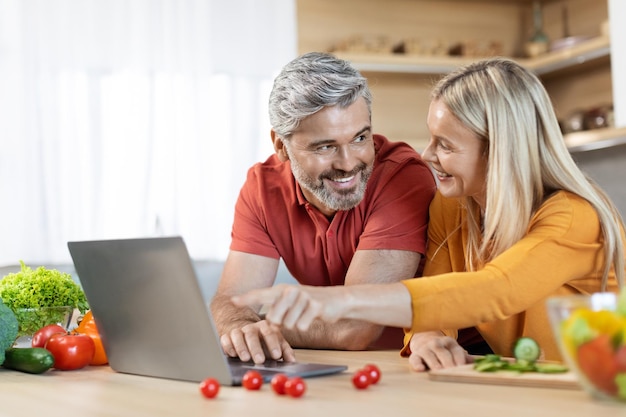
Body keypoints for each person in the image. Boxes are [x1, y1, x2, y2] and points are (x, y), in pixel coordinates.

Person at [232, 57, 626, 371]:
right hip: (531, 388)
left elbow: (495, 291)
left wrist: (341, 302)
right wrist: (426, 336)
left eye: (446, 145)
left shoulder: (575, 217)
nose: (426, 155)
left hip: (601, 389)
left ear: (498, 151)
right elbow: (439, 297)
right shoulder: (452, 206)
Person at [210, 52, 437, 364]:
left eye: (360, 138)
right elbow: (233, 301)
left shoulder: (401, 178)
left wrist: (262, 326)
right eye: (325, 146)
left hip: (409, 365)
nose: (348, 163)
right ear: (280, 145)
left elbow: (355, 327)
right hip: (334, 367)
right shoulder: (262, 188)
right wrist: (239, 325)